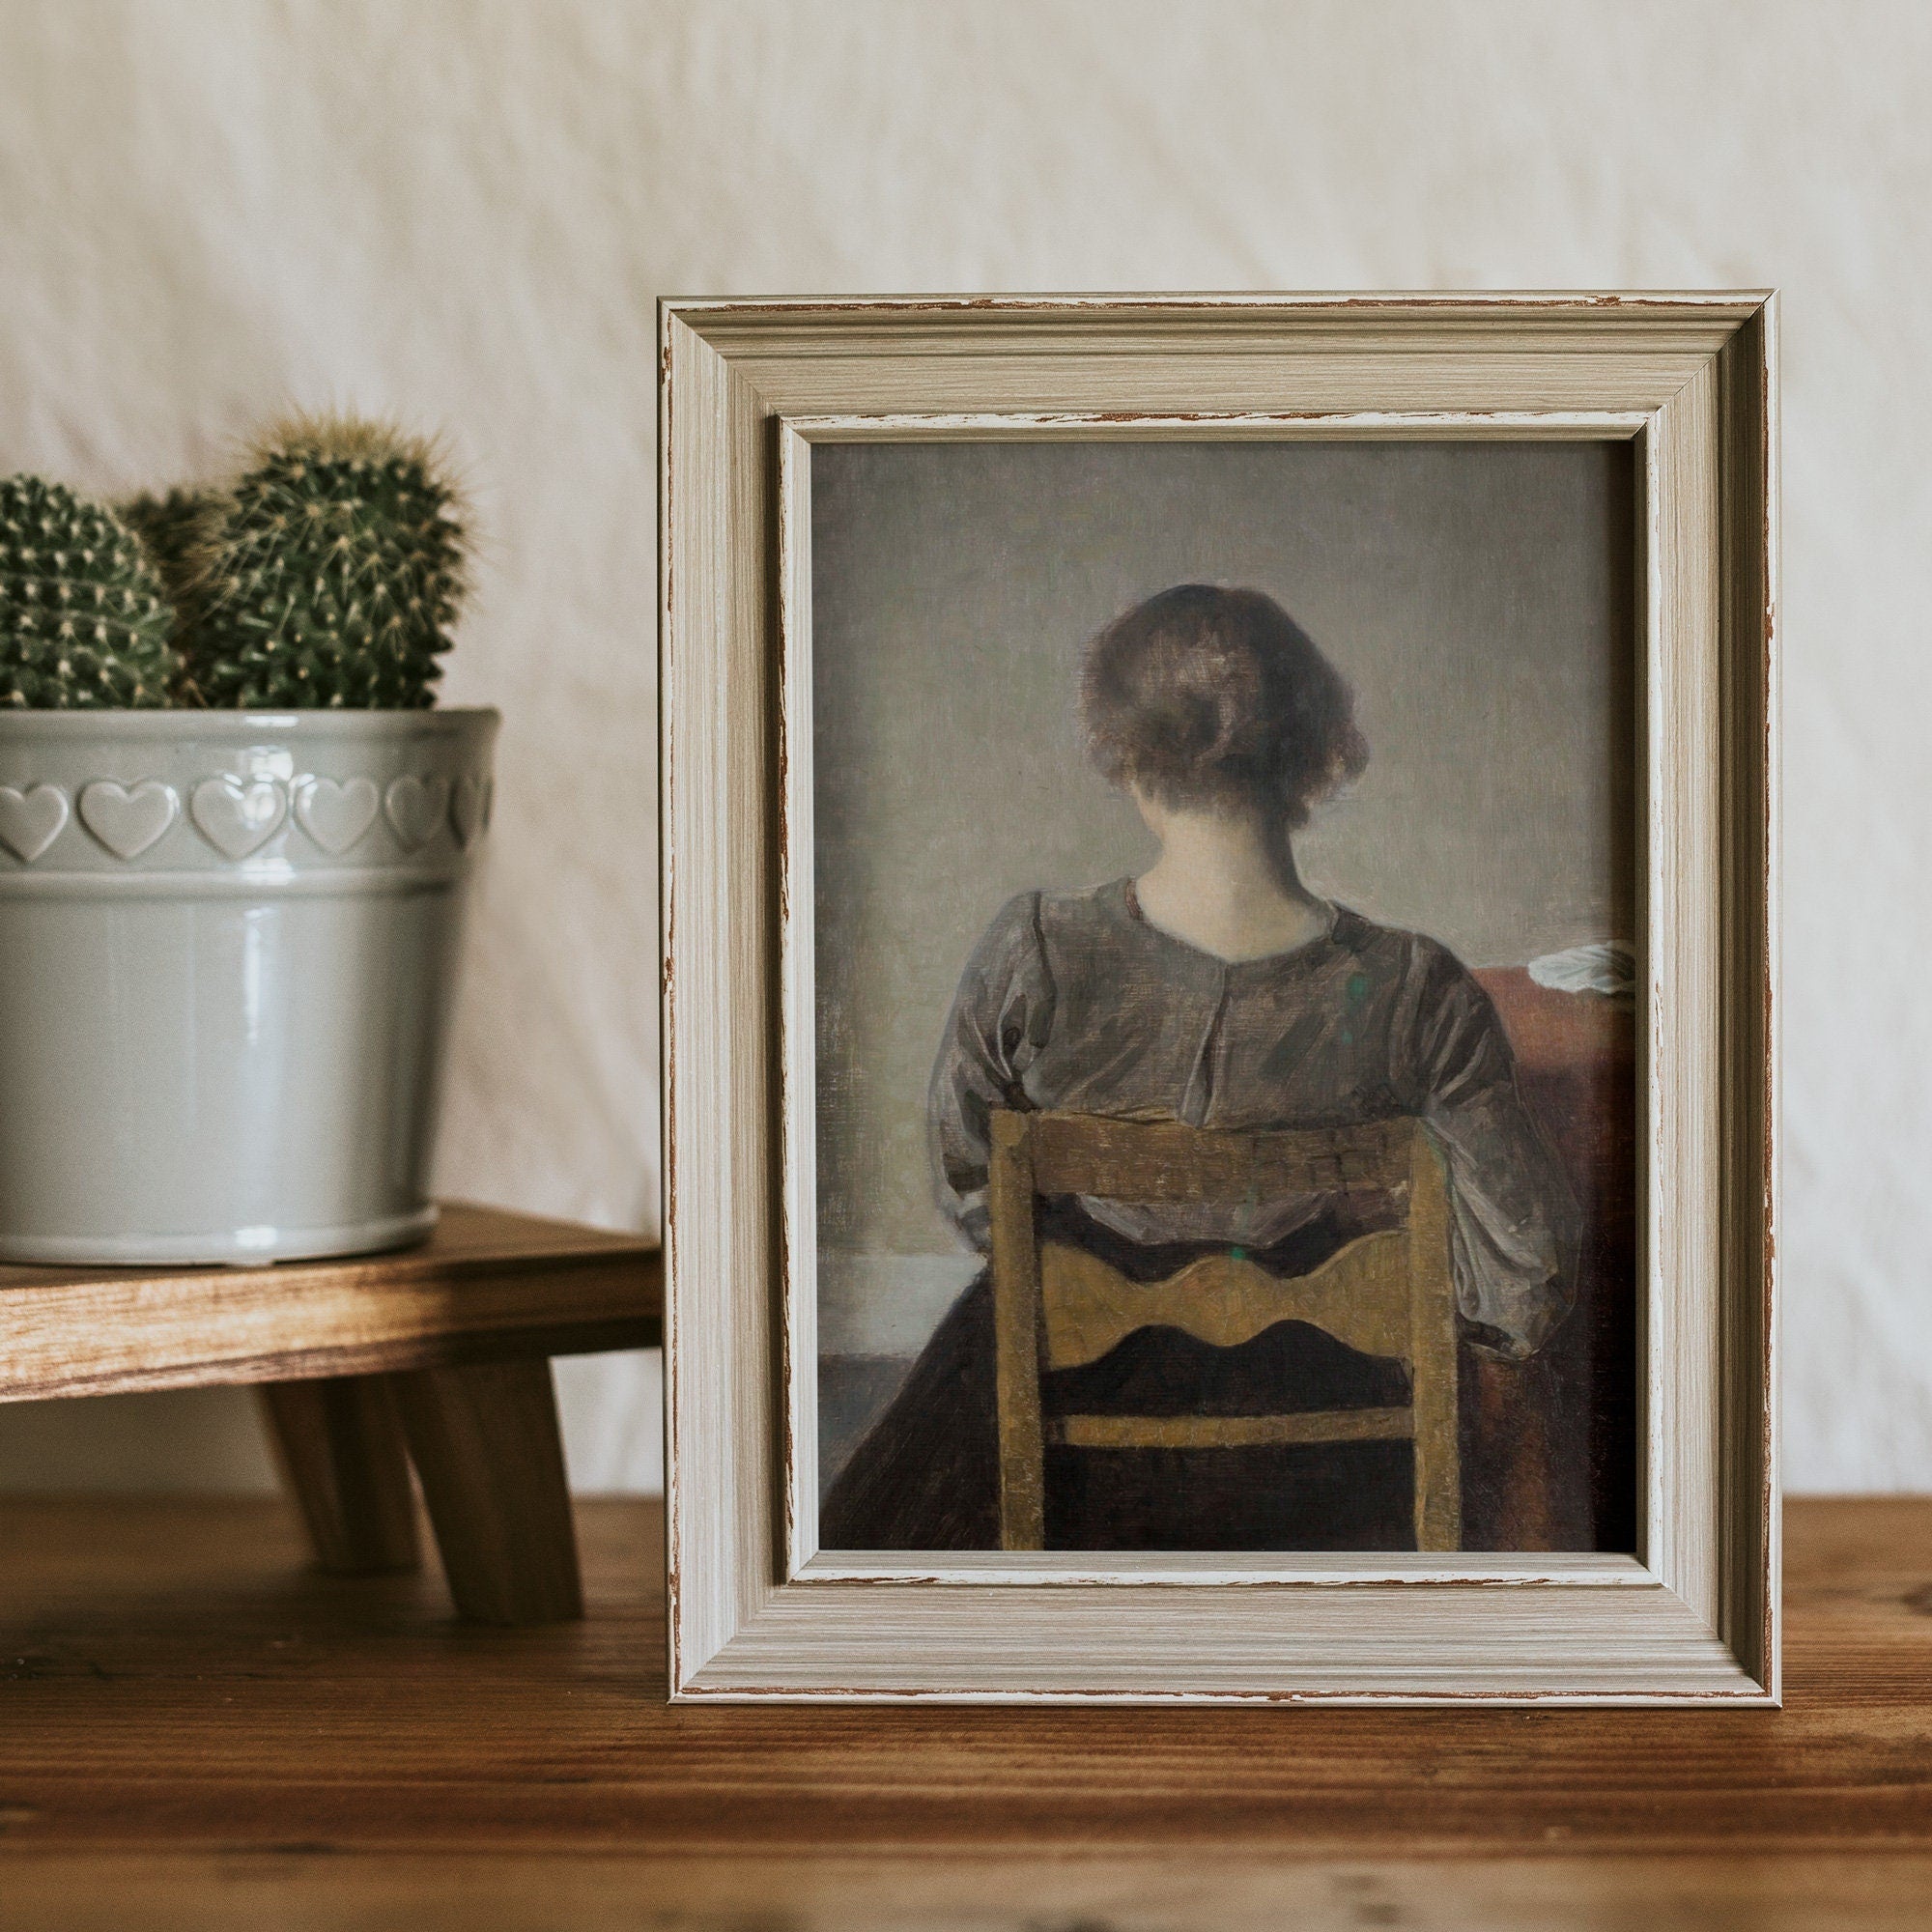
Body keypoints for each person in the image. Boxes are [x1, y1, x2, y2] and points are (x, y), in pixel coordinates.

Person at [821, 583, 1577, 1552]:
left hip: (1064, 1405)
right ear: (1312, 757)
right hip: (1323, 1432)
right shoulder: (1413, 986)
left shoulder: (1034, 951)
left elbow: (968, 1174)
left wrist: (1087, 1274)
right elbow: (1526, 1260)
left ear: (1129, 760)